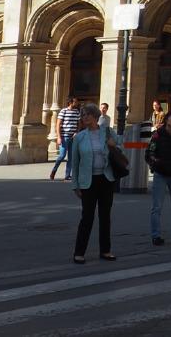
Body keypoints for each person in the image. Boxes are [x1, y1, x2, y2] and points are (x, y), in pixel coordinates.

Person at [68, 103, 119, 263]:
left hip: (106, 179)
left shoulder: (107, 132)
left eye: (87, 114)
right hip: (87, 181)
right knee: (87, 217)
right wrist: (75, 185)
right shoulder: (79, 137)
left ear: (95, 116)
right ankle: (79, 252)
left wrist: (113, 145)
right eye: (83, 115)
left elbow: (120, 147)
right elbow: (75, 163)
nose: (85, 117)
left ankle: (105, 250)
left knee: (105, 217)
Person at [146, 109, 171, 246]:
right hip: (161, 173)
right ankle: (156, 235)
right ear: (167, 119)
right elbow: (149, 151)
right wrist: (154, 161)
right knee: (157, 206)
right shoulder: (158, 134)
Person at [50, 97, 81, 181]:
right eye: (75, 101)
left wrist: (76, 132)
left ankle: (67, 175)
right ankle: (54, 170)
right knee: (62, 155)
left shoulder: (76, 112)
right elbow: (58, 124)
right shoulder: (63, 111)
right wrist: (59, 137)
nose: (77, 103)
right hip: (64, 136)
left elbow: (78, 124)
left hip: (73, 137)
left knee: (71, 157)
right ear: (70, 103)